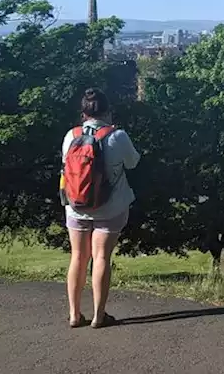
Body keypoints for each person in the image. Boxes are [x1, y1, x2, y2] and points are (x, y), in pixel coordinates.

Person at [63, 87, 140, 329]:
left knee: (77, 257)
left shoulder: (70, 135)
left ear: (83, 112)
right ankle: (99, 315)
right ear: (107, 110)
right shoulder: (117, 136)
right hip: (110, 207)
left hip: (76, 206)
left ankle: (75, 315)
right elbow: (133, 163)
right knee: (101, 257)